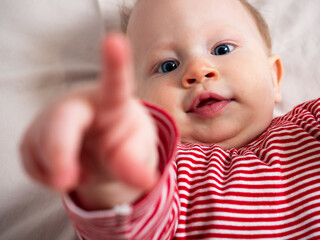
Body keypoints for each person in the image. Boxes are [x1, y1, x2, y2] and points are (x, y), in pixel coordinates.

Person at [19, 0, 320, 239]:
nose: (198, 71)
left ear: (273, 78)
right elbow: (132, 230)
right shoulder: (164, 168)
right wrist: (112, 177)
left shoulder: (308, 124)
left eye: (222, 49)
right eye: (167, 65)